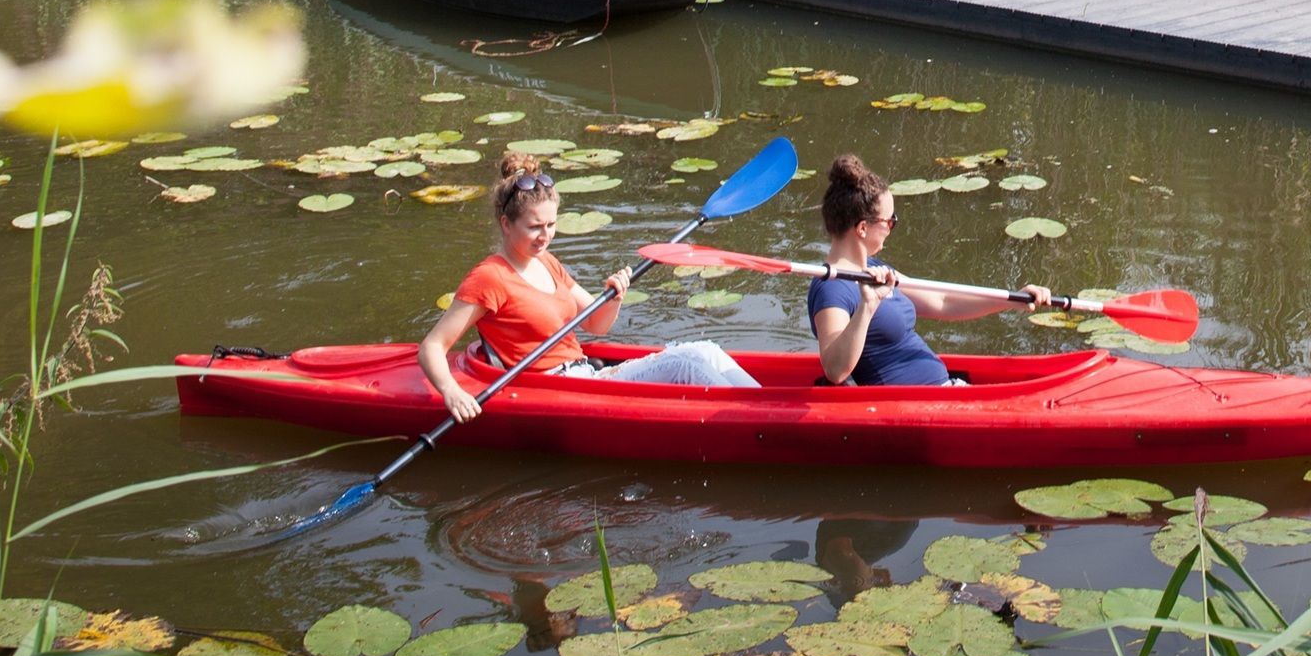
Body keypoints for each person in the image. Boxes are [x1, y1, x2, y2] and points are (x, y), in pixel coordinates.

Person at [419, 153, 755, 422]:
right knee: (689, 365)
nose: (545, 235)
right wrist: (451, 391)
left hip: (584, 375)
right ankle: (756, 422)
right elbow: (432, 346)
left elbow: (596, 325)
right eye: (535, 227)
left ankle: (765, 408)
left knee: (705, 351)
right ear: (506, 224)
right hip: (556, 390)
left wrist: (615, 296)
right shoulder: (489, 277)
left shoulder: (548, 262)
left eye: (551, 224)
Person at [809, 154, 1051, 386]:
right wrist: (867, 306)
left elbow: (942, 300)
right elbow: (835, 370)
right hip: (914, 409)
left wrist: (1012, 299)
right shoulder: (831, 288)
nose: (893, 226)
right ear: (863, 228)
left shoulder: (874, 269)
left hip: (945, 390)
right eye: (890, 221)